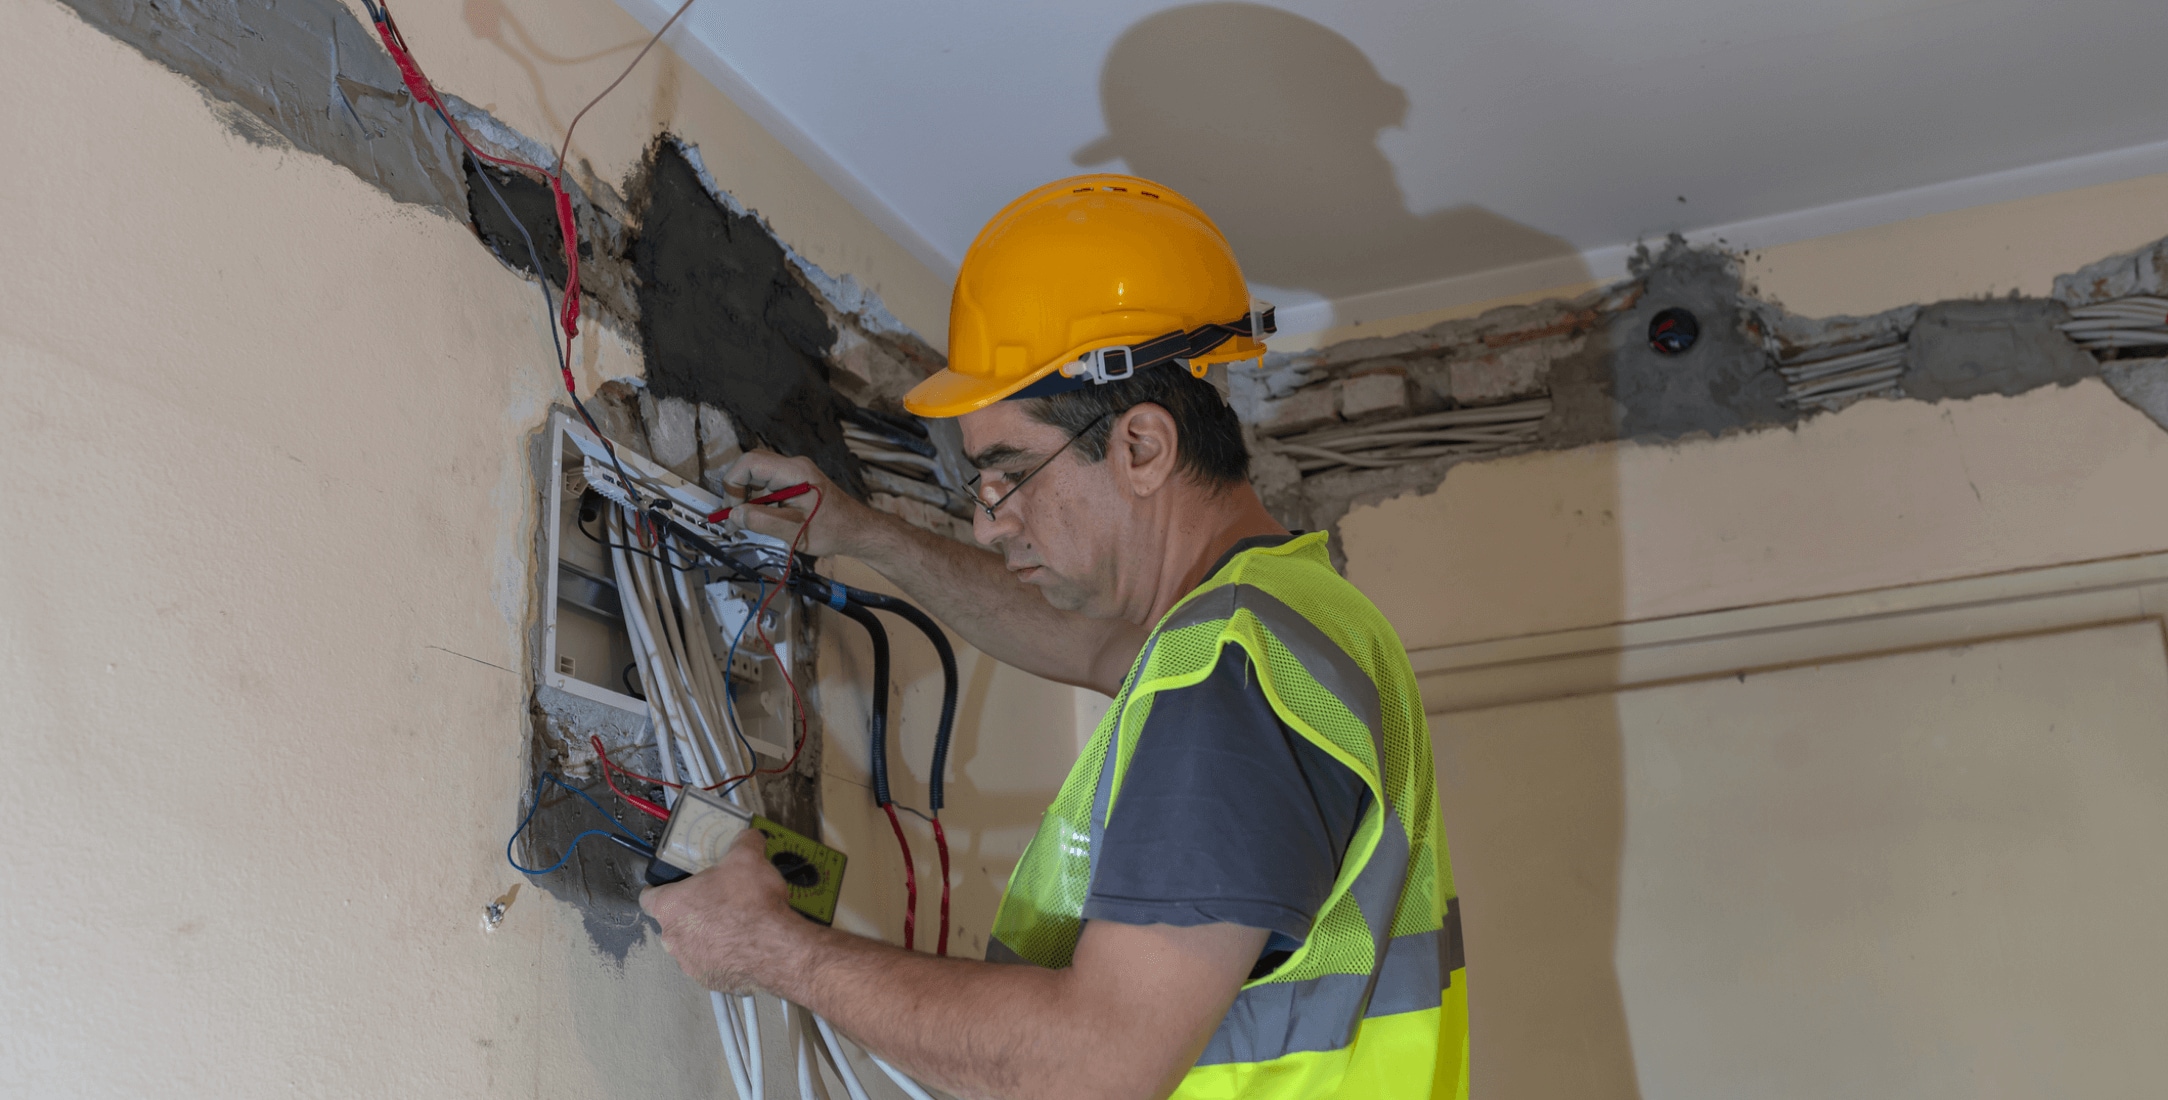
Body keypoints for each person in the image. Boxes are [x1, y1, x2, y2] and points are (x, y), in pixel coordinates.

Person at [641, 175, 1466, 1100]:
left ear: (1143, 447)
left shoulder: (1228, 669)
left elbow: (1091, 1068)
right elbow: (1080, 646)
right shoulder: (1291, 622)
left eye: (1006, 474)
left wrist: (775, 949)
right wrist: (867, 535)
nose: (990, 524)